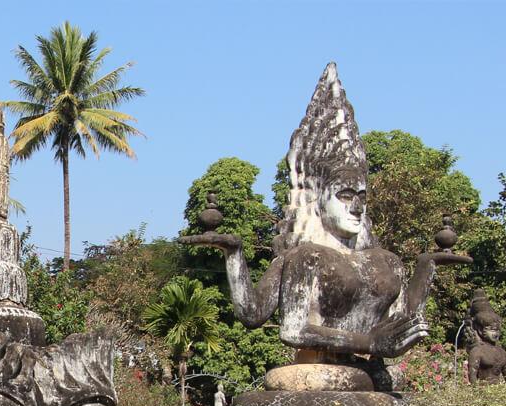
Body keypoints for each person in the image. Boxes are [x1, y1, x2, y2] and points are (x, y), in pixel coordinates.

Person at [182, 63, 470, 364]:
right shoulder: (306, 257)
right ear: (318, 200)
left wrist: (426, 266)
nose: (356, 207)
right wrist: (234, 255)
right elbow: (277, 324)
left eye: (361, 197)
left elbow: (403, 324)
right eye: (345, 196)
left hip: (373, 374)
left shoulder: (387, 261)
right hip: (318, 371)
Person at [465, 290, 506, 385]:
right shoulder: (477, 351)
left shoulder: (502, 352)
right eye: (491, 330)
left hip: (499, 391)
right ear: (480, 330)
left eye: (497, 330)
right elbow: (472, 377)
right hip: (482, 390)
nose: (495, 334)